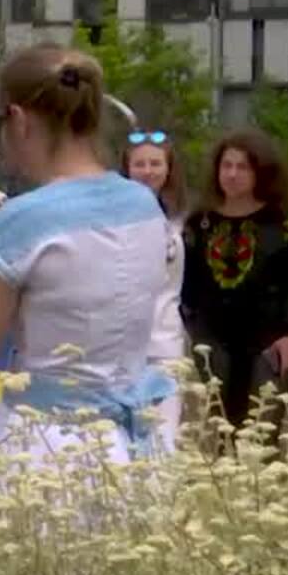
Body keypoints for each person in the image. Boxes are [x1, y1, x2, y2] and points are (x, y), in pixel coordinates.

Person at [0, 46, 173, 466]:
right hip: (138, 443)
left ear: (18, 119)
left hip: (45, 445)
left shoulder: (21, 221)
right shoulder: (145, 204)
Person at [181, 128, 288, 438]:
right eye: (227, 165)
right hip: (214, 341)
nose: (232, 174)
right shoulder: (199, 224)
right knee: (223, 433)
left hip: (269, 343)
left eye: (242, 167)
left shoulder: (283, 228)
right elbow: (186, 288)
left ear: (261, 172)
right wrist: (195, 333)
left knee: (262, 435)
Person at [122, 129, 188, 448]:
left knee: (163, 435)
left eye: (155, 164)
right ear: (126, 169)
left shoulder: (180, 220)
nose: (147, 171)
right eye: (139, 164)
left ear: (168, 169)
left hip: (165, 343)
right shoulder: (112, 219)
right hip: (121, 344)